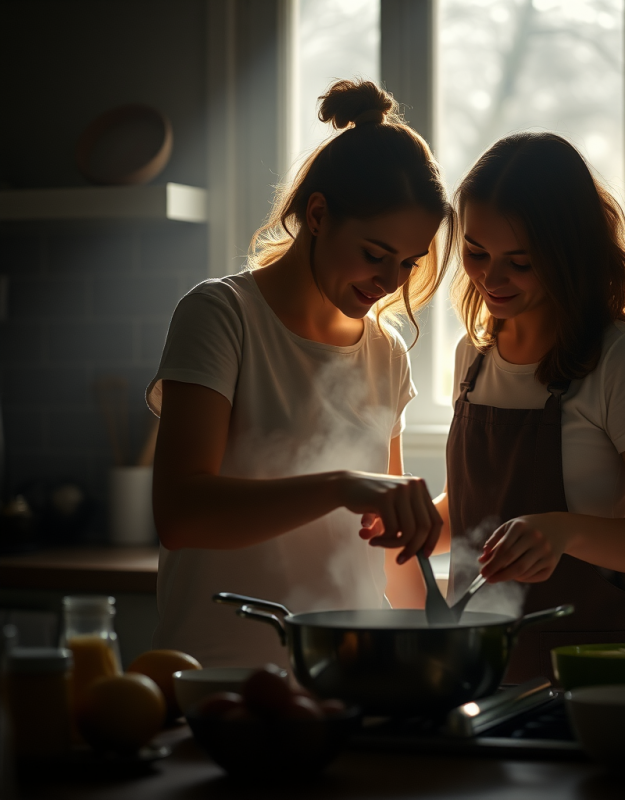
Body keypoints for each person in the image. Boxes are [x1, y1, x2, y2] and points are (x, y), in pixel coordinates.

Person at [146, 80, 451, 668]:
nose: (391, 282)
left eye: (408, 264)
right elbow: (181, 515)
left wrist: (430, 654)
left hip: (350, 680)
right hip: (218, 680)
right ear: (317, 215)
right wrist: (340, 485)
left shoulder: (386, 354)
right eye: (374, 253)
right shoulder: (221, 316)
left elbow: (390, 549)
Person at [437, 132, 625, 683]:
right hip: (485, 667)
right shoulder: (473, 357)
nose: (491, 277)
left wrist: (565, 532)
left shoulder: (620, 360)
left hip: (601, 669)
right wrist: (423, 519)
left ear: (568, 254)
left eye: (521, 261)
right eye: (476, 252)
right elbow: (481, 514)